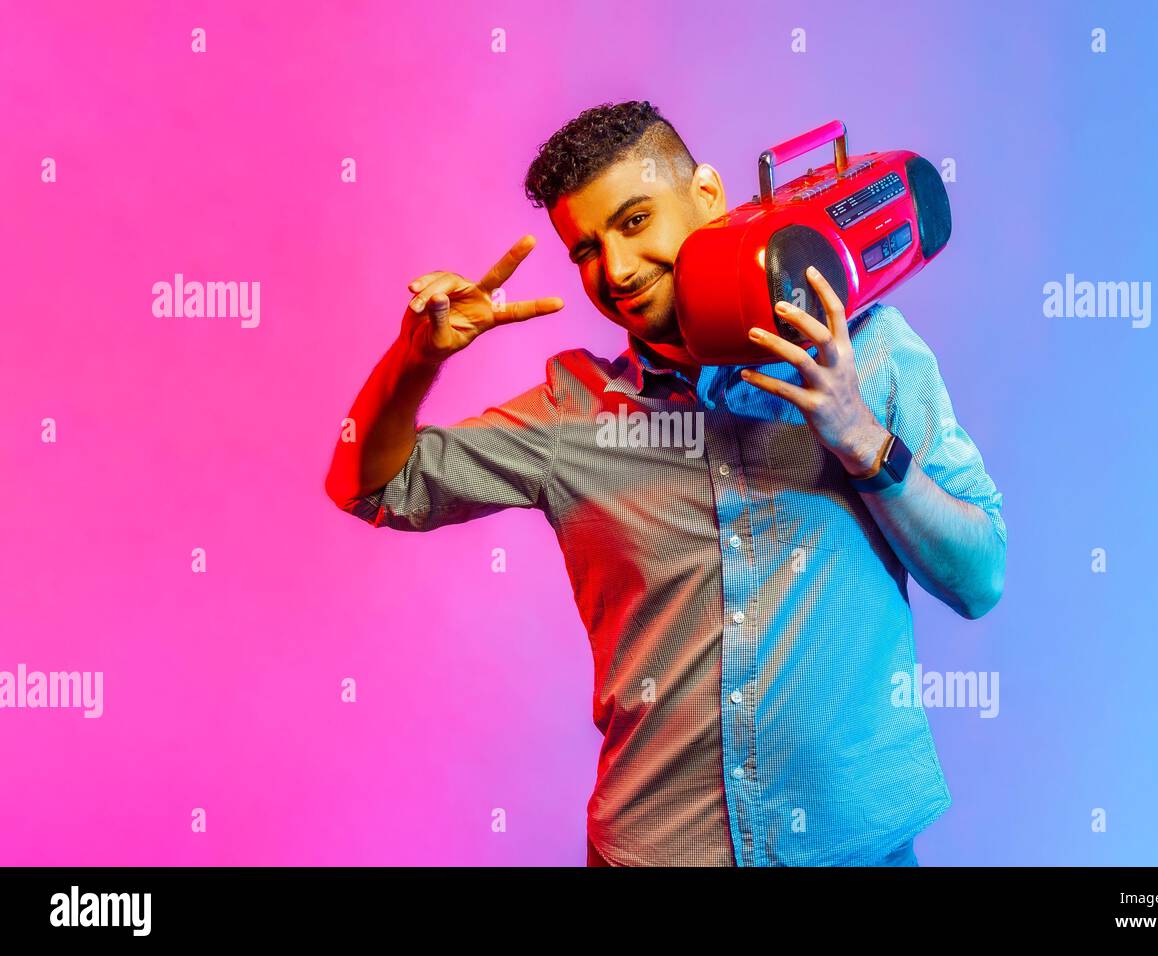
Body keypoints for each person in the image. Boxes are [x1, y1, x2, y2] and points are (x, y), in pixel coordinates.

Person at [324, 100, 1006, 867]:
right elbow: (369, 485)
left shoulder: (866, 348)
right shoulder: (573, 416)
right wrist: (416, 361)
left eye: (635, 220)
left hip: (857, 848)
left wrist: (864, 442)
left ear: (709, 198)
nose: (613, 271)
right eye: (585, 248)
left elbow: (980, 578)